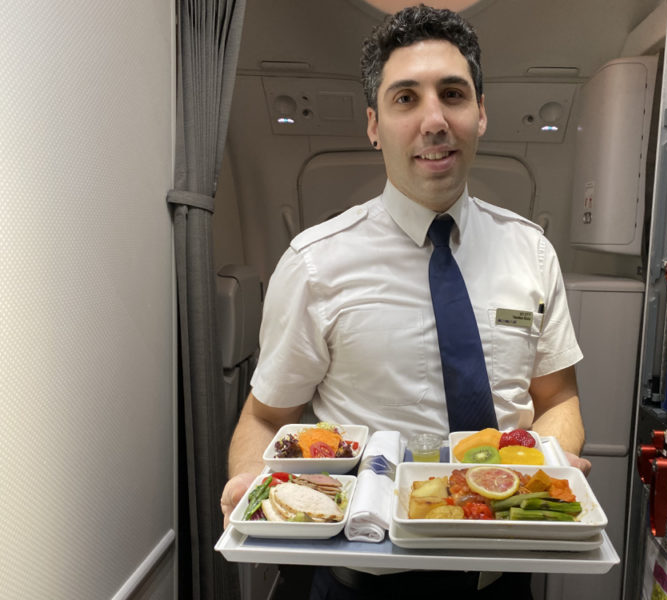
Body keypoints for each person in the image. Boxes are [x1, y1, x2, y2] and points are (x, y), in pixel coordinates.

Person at [221, 5, 590, 598]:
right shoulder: (316, 263)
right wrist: (253, 485)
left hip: (501, 577)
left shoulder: (533, 253)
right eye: (405, 99)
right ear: (373, 124)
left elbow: (558, 397)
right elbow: (267, 417)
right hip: (361, 579)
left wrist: (545, 463)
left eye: (453, 94)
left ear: (481, 113)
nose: (434, 120)